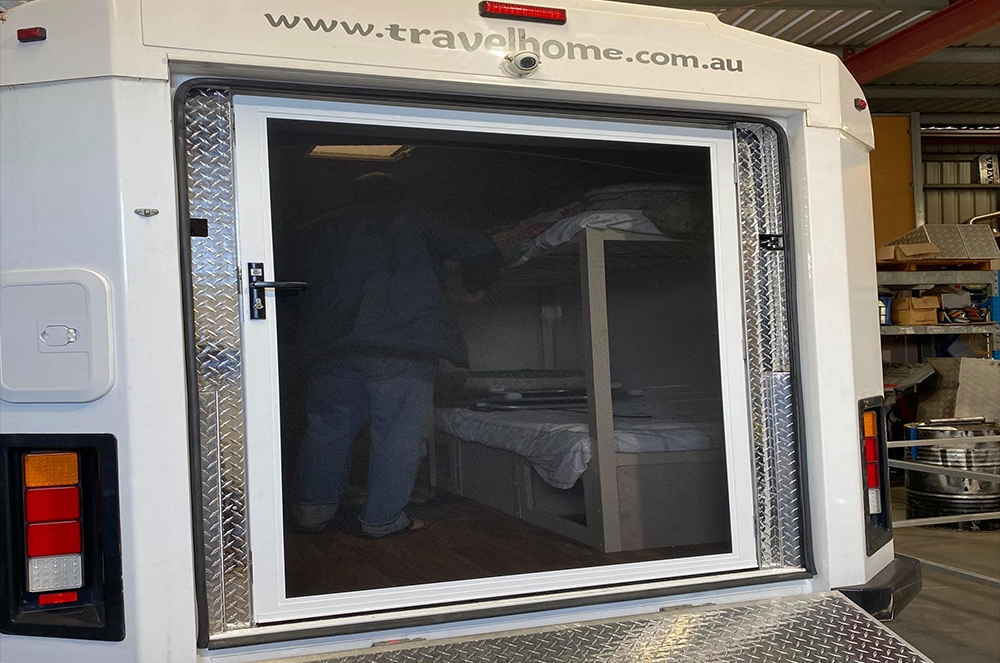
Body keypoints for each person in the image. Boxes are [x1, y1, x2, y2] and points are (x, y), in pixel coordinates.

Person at [291, 173, 500, 538]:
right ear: (402, 195)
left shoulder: (320, 229)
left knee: (327, 428)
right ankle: (382, 519)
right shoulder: (416, 219)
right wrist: (474, 287)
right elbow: (480, 249)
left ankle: (312, 511)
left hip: (331, 343)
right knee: (397, 433)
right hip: (402, 342)